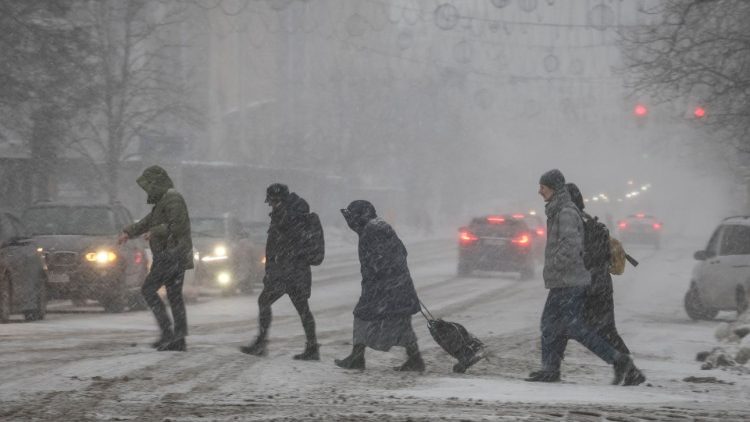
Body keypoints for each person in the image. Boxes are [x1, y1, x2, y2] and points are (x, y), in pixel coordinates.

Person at [526, 169, 645, 385]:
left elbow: (571, 247)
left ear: (553, 188)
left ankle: (619, 361)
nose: (539, 191)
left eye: (542, 187)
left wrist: (556, 264)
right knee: (552, 325)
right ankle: (551, 369)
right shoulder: (559, 211)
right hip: (567, 280)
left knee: (576, 327)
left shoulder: (566, 213)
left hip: (570, 281)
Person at [334, 200, 424, 372]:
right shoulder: (378, 227)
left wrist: (380, 275)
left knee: (362, 316)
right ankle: (415, 358)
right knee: (401, 321)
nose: (350, 223)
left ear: (361, 216)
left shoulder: (372, 230)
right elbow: (401, 252)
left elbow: (379, 259)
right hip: (395, 285)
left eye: (352, 218)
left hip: (383, 287)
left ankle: (357, 357)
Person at [240, 183, 319, 360]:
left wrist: (275, 270)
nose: (270, 205)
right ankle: (312, 346)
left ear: (277, 199)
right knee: (302, 309)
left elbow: (282, 245)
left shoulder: (288, 215)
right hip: (295, 271)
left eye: (271, 202)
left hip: (287, 272)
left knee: (265, 301)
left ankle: (261, 343)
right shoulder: (294, 213)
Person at [118, 165, 193, 352]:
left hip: (172, 255)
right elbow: (148, 221)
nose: (147, 191)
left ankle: (170, 334)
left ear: (156, 183)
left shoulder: (173, 199)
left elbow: (178, 227)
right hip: (170, 255)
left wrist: (155, 231)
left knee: (149, 290)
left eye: (149, 186)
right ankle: (177, 338)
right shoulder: (164, 201)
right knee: (174, 296)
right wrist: (129, 232)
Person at [566, 183, 631, 355]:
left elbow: (582, 257)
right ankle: (626, 365)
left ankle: (627, 366)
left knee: (591, 329)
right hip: (600, 284)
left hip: (590, 286)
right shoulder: (587, 221)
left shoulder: (578, 224)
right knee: (604, 329)